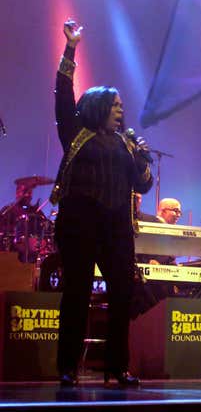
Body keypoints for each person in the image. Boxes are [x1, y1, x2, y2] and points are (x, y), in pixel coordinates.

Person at [52, 20, 153, 387]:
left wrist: (143, 161)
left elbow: (143, 182)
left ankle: (116, 367)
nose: (120, 109)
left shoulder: (126, 143)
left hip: (117, 228)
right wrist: (70, 48)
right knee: (77, 292)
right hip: (80, 221)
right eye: (114, 104)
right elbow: (63, 95)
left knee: (122, 295)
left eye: (122, 105)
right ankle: (67, 367)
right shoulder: (76, 133)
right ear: (97, 106)